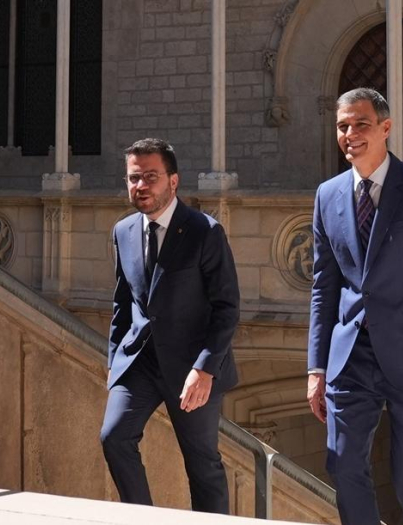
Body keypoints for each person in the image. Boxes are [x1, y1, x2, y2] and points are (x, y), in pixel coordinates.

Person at [306, 88, 403, 525]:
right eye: (342, 126)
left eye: (360, 124)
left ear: (385, 127)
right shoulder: (327, 195)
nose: (350, 134)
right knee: (343, 465)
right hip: (351, 356)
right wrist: (316, 368)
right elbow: (324, 285)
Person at [100, 137, 240, 513]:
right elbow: (123, 302)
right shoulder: (123, 231)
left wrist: (205, 369)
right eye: (133, 178)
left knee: (202, 466)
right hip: (140, 363)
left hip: (192, 368)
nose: (140, 186)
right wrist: (114, 364)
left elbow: (226, 307)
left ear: (173, 182)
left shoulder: (204, 231)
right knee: (114, 438)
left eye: (150, 177)